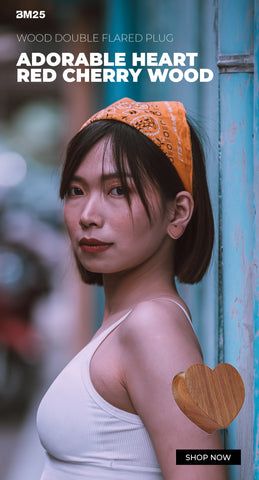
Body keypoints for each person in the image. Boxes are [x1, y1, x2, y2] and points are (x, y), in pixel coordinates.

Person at [37, 98, 228, 479]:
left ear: (178, 213)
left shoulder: (152, 327)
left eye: (118, 190)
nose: (87, 216)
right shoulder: (125, 322)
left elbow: (204, 466)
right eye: (76, 190)